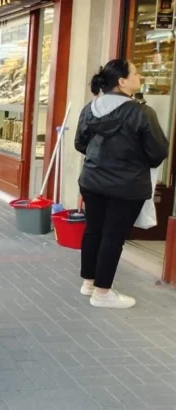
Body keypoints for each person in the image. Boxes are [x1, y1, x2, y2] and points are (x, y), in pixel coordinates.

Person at [74, 60, 168, 309]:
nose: (140, 76)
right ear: (122, 82)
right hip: (126, 185)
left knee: (94, 230)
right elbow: (158, 151)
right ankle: (103, 293)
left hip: (92, 181)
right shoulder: (141, 112)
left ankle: (89, 283)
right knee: (113, 237)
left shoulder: (90, 108)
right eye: (136, 72)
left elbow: (80, 144)